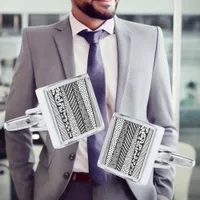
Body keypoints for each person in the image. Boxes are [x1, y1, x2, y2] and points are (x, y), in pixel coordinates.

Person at [5, 0, 178, 200]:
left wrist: (164, 193)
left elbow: (164, 125)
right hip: (62, 191)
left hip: (130, 191)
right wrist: (27, 192)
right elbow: (15, 125)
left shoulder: (149, 39)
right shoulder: (37, 41)